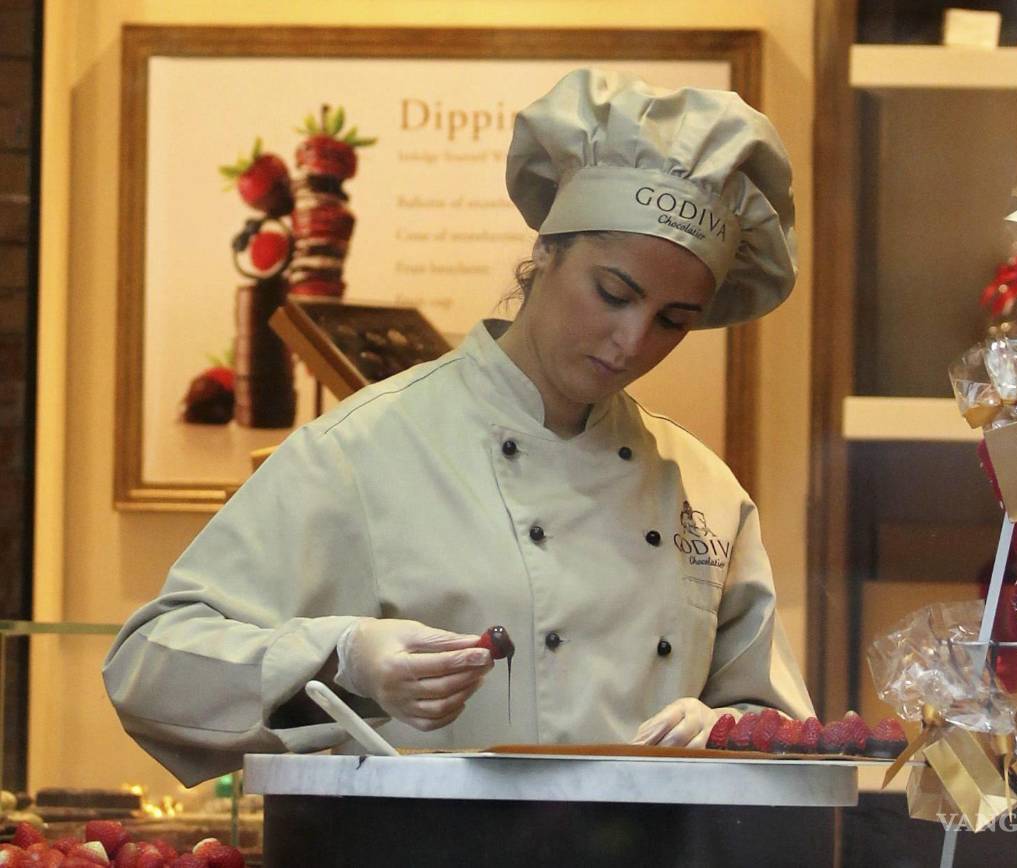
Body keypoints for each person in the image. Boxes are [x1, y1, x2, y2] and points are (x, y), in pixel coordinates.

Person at [103, 68, 814, 787]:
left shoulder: (704, 488)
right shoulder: (367, 449)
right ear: (545, 252)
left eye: (672, 321)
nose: (632, 341)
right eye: (613, 293)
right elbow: (150, 666)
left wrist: (731, 733)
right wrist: (341, 655)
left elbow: (783, 728)